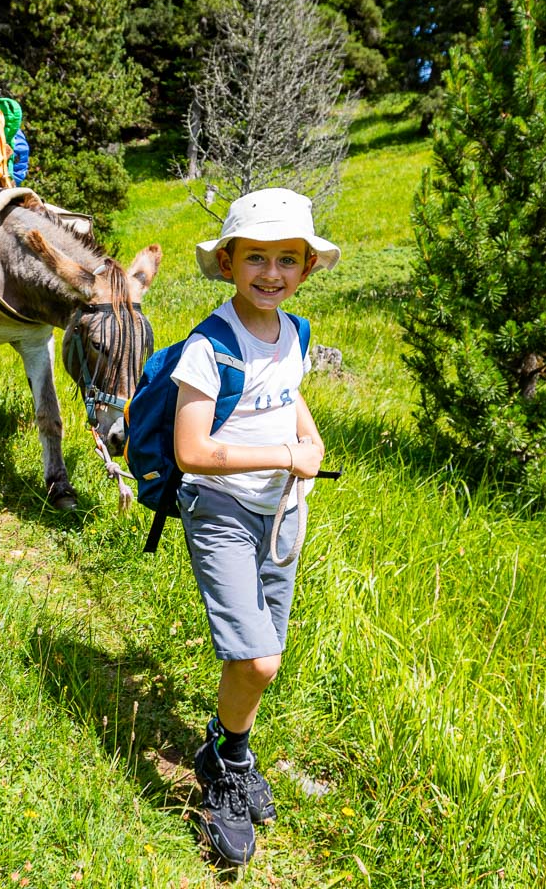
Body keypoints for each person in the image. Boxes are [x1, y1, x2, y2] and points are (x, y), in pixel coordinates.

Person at [169, 188, 338, 867]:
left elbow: (289, 393)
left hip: (283, 512)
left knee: (261, 654)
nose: (272, 273)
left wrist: (312, 443)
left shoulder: (293, 333)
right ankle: (225, 772)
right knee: (258, 659)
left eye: (287, 260)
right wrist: (282, 456)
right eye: (257, 258)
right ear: (231, 261)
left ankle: (227, 749)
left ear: (306, 269)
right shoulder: (209, 346)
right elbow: (193, 451)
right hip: (222, 508)